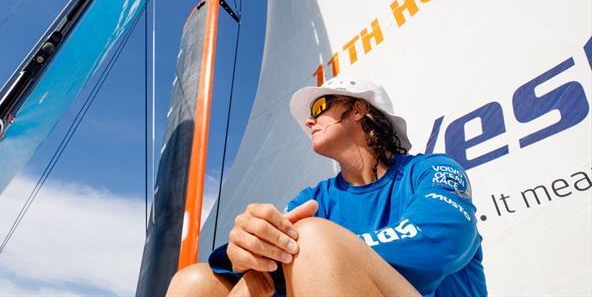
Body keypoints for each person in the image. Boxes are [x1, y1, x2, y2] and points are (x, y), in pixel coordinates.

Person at [166, 77, 486, 296]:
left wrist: (295, 257)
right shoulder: (316, 198)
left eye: (320, 108)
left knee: (310, 240)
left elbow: (439, 244)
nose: (309, 121)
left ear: (359, 109)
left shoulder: (431, 170)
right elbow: (273, 263)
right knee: (193, 283)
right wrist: (246, 253)